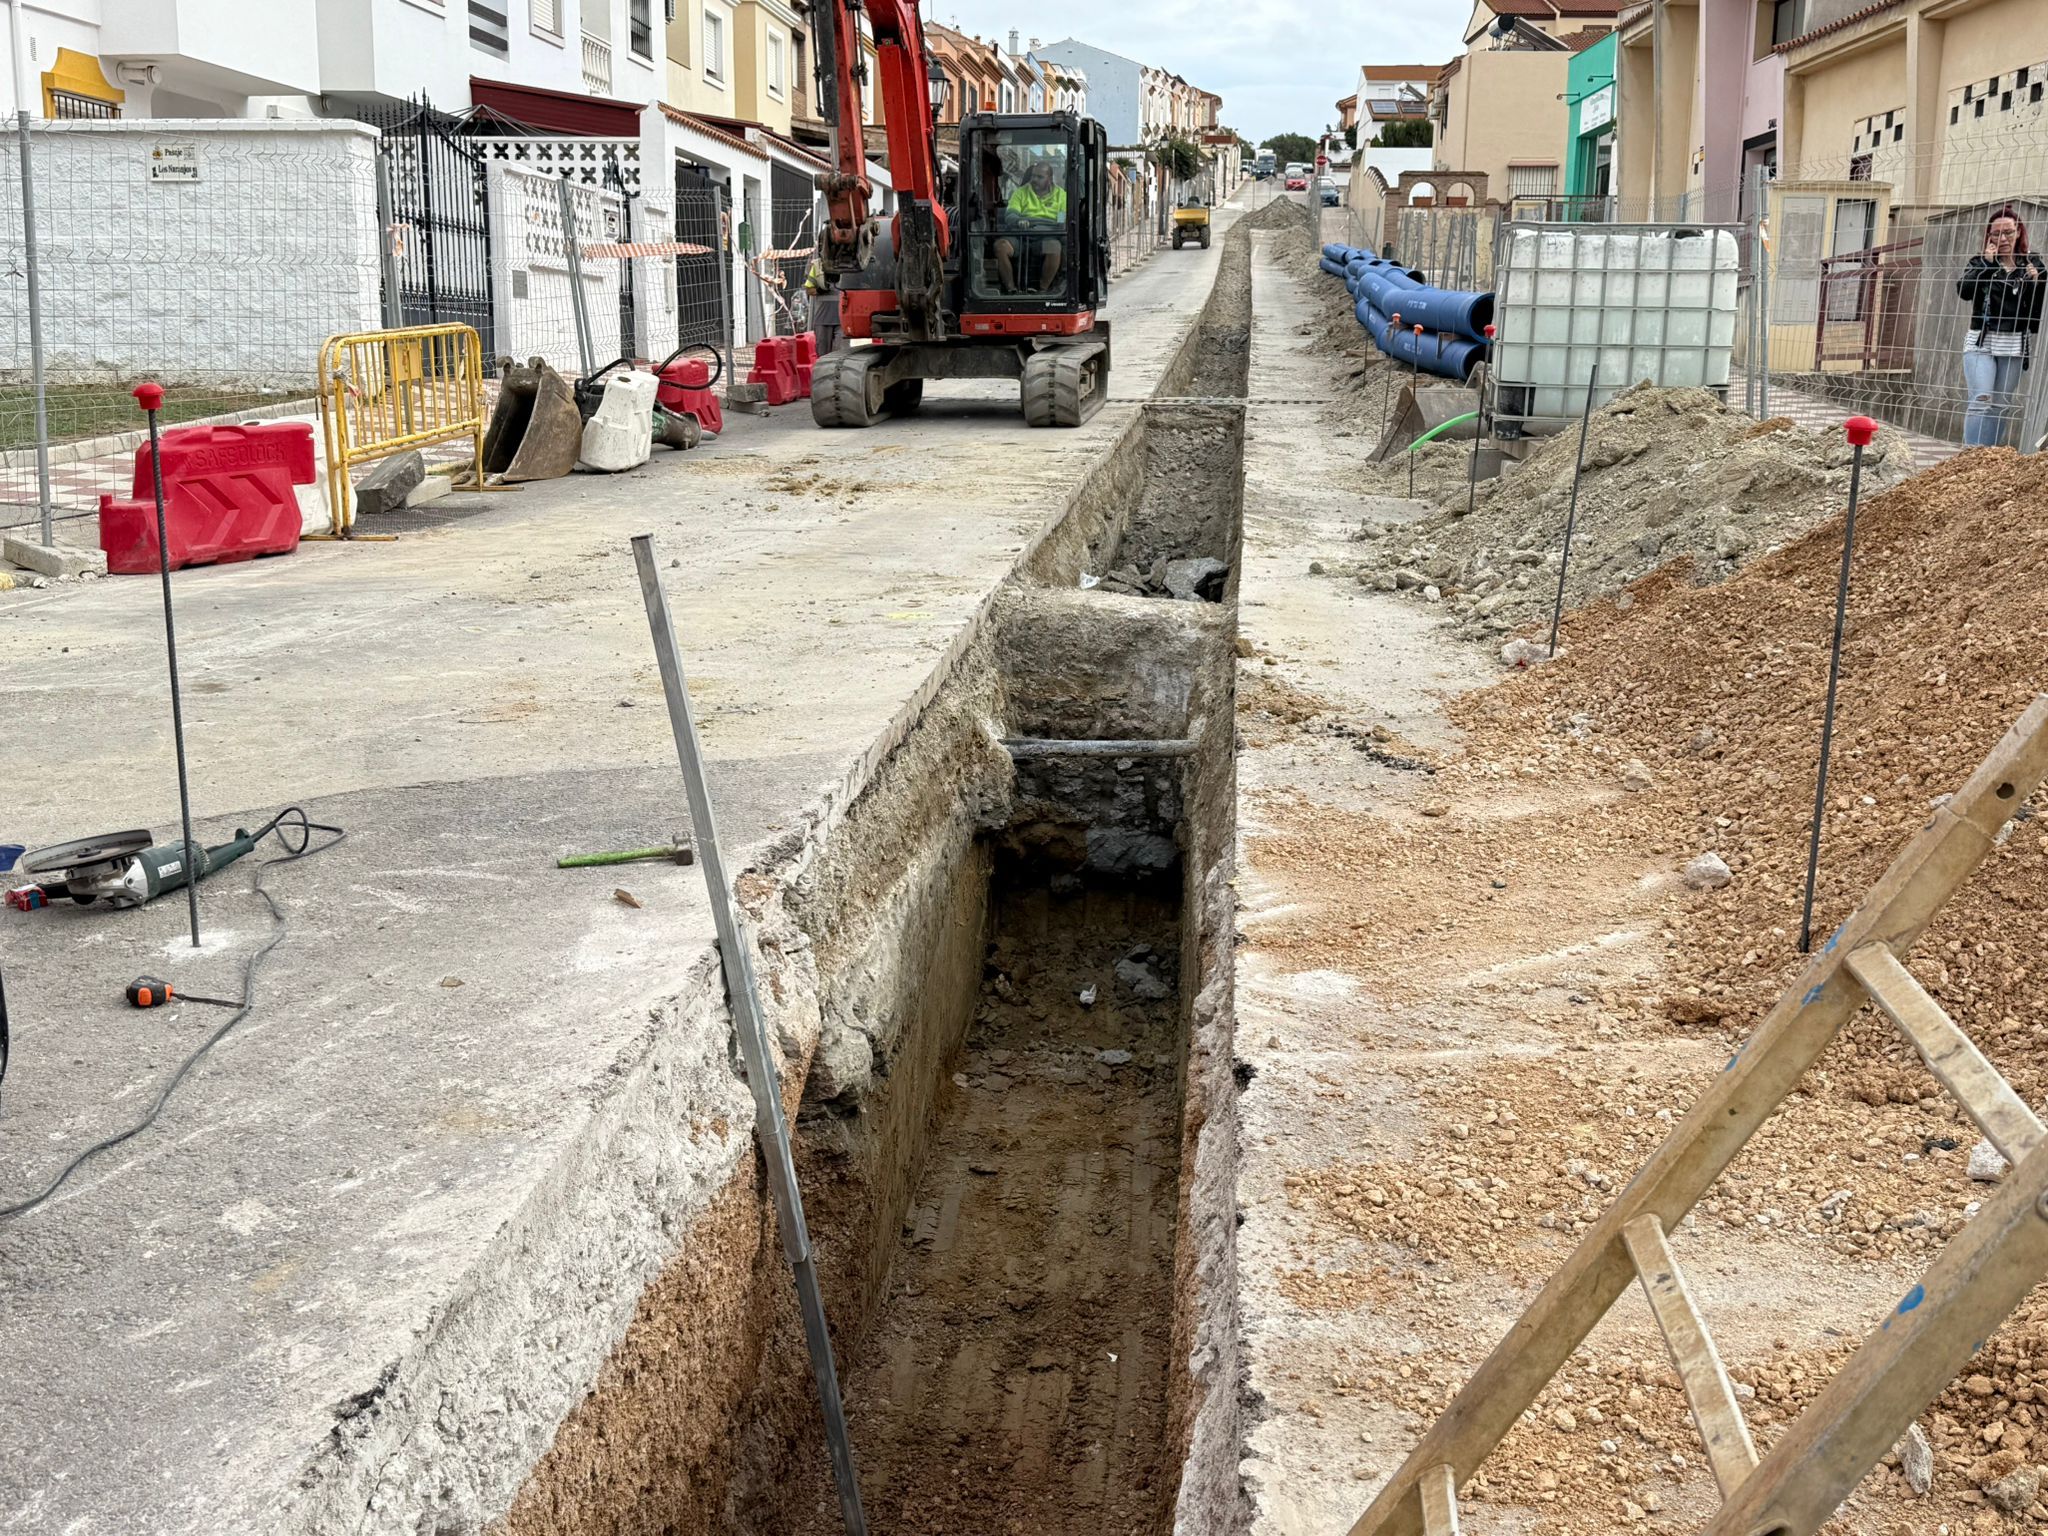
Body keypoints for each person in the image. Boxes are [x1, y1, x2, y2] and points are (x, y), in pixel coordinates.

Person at [1956, 206, 2046, 447]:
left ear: (2019, 233)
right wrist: (1986, 265)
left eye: (2008, 232)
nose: (2002, 239)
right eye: (1996, 234)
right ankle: (1971, 455)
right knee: (1981, 398)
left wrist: (2037, 282)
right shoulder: (1980, 261)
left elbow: (2038, 310)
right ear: (1988, 236)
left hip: (2014, 343)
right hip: (1980, 341)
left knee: (2001, 403)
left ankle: (1989, 458)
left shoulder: (2033, 264)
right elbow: (1964, 291)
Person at [994, 158, 1067, 293]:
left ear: (1049, 179)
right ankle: (1011, 289)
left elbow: (1061, 222)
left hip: (1046, 237)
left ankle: (1042, 290)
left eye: (1040, 177)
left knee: (1055, 247)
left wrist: (1044, 225)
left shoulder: (1062, 196)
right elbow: (1010, 216)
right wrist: (1019, 221)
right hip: (1021, 235)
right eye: (1033, 175)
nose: (1034, 179)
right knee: (1001, 246)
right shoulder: (1020, 192)